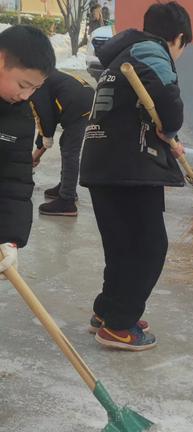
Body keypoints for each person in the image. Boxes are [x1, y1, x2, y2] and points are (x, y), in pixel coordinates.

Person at [79, 1, 192, 351]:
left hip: (103, 162)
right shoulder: (153, 52)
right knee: (148, 247)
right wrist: (171, 127)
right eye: (182, 47)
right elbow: (169, 106)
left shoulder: (120, 55)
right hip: (131, 166)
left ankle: (110, 310)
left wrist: (167, 135)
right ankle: (118, 326)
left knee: (122, 246)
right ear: (178, 39)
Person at [0, 25, 55, 276]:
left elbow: (15, 179)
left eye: (34, 88)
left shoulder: (19, 117)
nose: (26, 95)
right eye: (23, 84)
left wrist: (10, 238)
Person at [30, 69, 94, 216]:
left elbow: (45, 118)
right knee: (66, 144)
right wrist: (39, 149)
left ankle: (67, 201)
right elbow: (46, 121)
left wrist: (37, 154)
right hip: (84, 98)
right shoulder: (43, 74)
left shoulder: (35, 84)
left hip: (78, 104)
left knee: (69, 151)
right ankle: (66, 187)